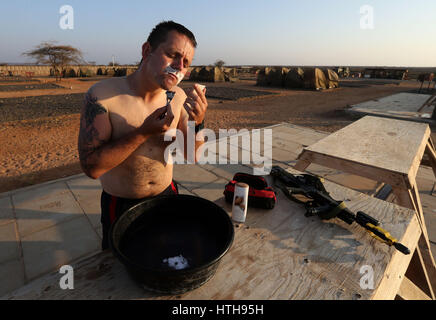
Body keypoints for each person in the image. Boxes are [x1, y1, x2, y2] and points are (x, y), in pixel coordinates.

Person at [77, 21, 208, 250]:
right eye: (172, 55)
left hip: (167, 196)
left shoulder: (177, 97)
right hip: (120, 206)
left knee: (169, 256)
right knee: (118, 273)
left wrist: (199, 122)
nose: (178, 66)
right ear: (147, 51)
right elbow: (92, 167)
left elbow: (192, 154)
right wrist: (142, 133)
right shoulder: (103, 95)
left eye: (186, 63)